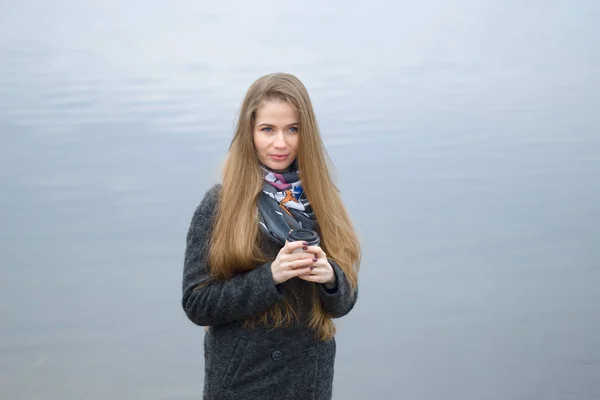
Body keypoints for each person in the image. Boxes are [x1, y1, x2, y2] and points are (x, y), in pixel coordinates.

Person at [181, 72, 361, 400]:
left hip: (310, 383)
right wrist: (271, 278)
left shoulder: (323, 198)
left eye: (292, 129)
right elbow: (196, 303)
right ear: (249, 132)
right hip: (243, 382)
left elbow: (344, 301)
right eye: (268, 129)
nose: (281, 143)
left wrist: (331, 278)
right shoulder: (220, 203)